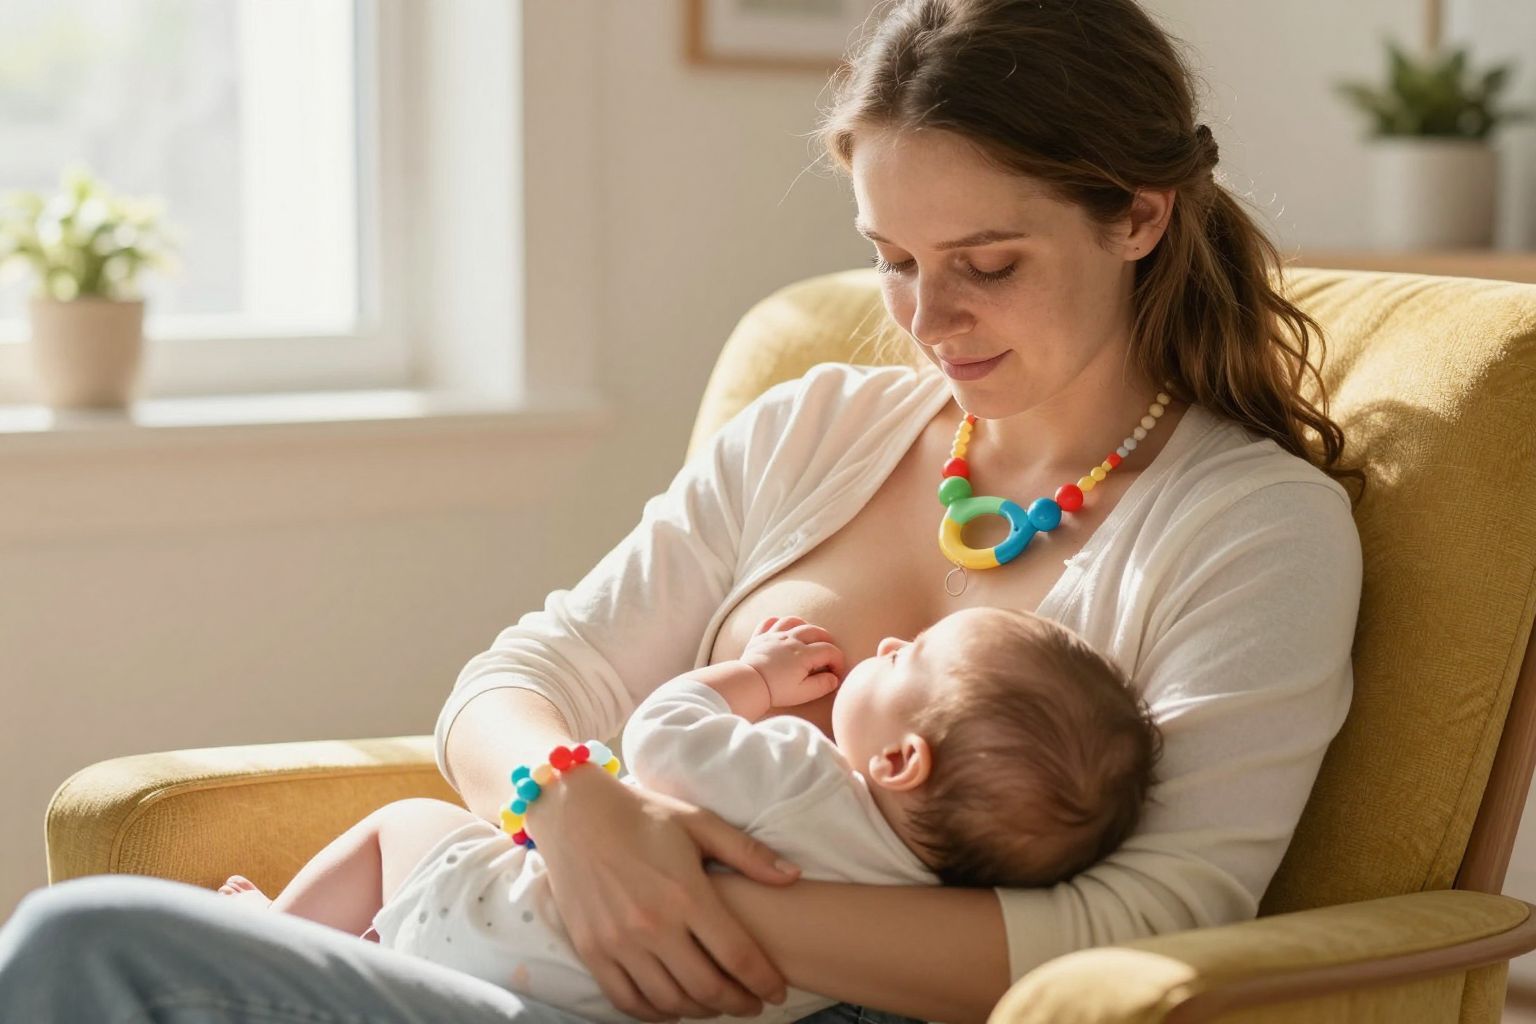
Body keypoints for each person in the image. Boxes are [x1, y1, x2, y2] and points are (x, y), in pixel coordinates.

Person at [0, 0, 1365, 1021]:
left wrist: (687, 901)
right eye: (892, 260)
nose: (929, 320)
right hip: (555, 968)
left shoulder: (1250, 528)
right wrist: (576, 812)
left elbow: (1140, 931)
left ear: (1137, 215)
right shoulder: (818, 430)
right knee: (92, 942)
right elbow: (522, 679)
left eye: (986, 264)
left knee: (89, 952)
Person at [213, 606, 1162, 1023]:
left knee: (405, 827)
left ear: (901, 760)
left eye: (903, 659)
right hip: (611, 1005)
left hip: (517, 922)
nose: (886, 640)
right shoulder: (918, 888)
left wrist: (754, 678)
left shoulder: (802, 773)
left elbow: (660, 732)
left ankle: (267, 935)